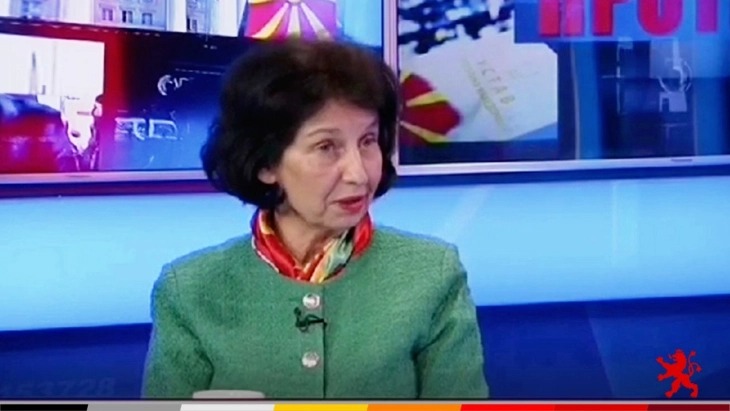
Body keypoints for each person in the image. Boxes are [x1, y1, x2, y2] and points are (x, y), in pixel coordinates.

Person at [142, 38, 489, 400]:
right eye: (326, 147)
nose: (358, 173)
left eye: (368, 141)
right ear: (266, 164)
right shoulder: (190, 289)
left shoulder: (432, 273)